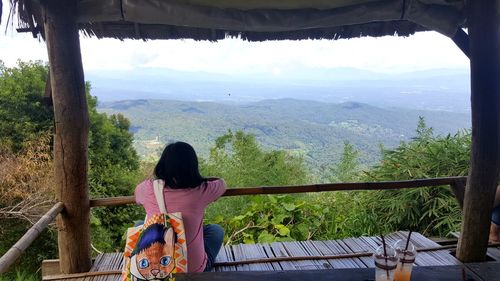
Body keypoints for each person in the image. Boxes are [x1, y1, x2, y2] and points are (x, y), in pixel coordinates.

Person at [135, 141, 226, 272]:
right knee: (215, 230)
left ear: (163, 164)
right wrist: (202, 179)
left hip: (158, 269)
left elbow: (137, 197)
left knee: (139, 224)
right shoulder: (201, 190)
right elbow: (222, 184)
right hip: (192, 270)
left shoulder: (147, 188)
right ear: (193, 166)